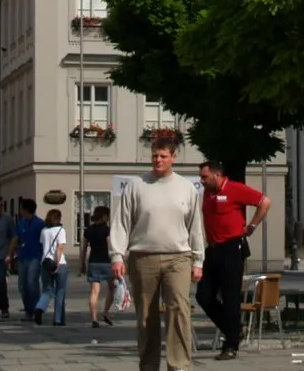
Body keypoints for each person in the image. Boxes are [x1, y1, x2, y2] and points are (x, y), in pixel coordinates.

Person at [110, 141, 206, 371]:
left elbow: (195, 226)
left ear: (174, 157)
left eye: (163, 156)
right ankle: (149, 365)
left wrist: (199, 261)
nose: (158, 160)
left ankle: (179, 364)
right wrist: (117, 256)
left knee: (179, 310)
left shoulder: (186, 188)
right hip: (143, 257)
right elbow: (121, 223)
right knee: (146, 316)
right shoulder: (136, 186)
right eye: (155, 156)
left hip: (179, 257)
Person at [196, 160, 271, 359]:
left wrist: (252, 227)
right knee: (203, 296)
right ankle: (235, 328)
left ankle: (231, 345)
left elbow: (265, 202)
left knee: (230, 297)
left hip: (231, 247)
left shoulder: (234, 188)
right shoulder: (207, 193)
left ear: (217, 175)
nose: (201, 181)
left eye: (204, 176)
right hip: (212, 249)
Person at [81, 207, 115, 328]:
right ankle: (105, 312)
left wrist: (82, 263)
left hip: (93, 262)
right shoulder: (107, 230)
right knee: (112, 287)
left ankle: (94, 318)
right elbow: (110, 246)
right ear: (104, 216)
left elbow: (84, 247)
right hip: (106, 262)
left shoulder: (89, 230)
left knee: (95, 292)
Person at [13, 200, 46, 321]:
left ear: (26, 210)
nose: (20, 211)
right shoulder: (21, 223)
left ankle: (37, 309)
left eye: (21, 209)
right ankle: (28, 310)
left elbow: (45, 240)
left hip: (35, 257)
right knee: (22, 285)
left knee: (32, 283)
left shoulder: (40, 224)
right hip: (22, 257)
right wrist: (10, 255)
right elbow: (16, 238)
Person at [34, 208, 67, 326]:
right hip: (59, 263)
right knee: (60, 292)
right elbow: (60, 248)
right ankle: (58, 319)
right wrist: (57, 264)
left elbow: (43, 245)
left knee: (47, 290)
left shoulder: (44, 231)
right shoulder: (61, 230)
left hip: (45, 263)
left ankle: (39, 308)